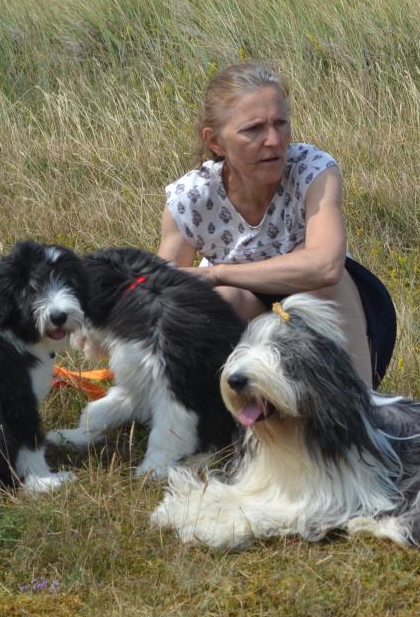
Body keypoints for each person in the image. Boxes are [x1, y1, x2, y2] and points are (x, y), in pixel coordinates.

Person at [158, 62, 394, 387]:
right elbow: (161, 296)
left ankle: (359, 415)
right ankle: (225, 421)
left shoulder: (312, 170)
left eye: (280, 123)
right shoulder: (191, 197)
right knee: (222, 302)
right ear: (215, 142)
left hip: (331, 307)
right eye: (253, 129)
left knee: (322, 287)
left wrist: (215, 272)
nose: (273, 140)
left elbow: (326, 267)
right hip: (247, 318)